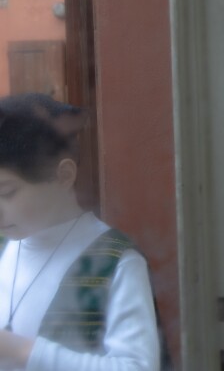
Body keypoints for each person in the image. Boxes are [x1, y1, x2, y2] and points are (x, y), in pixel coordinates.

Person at [0, 93, 160, 370]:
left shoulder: (113, 261)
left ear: (64, 176)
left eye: (6, 192)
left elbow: (138, 367)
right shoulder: (5, 245)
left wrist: (20, 350)